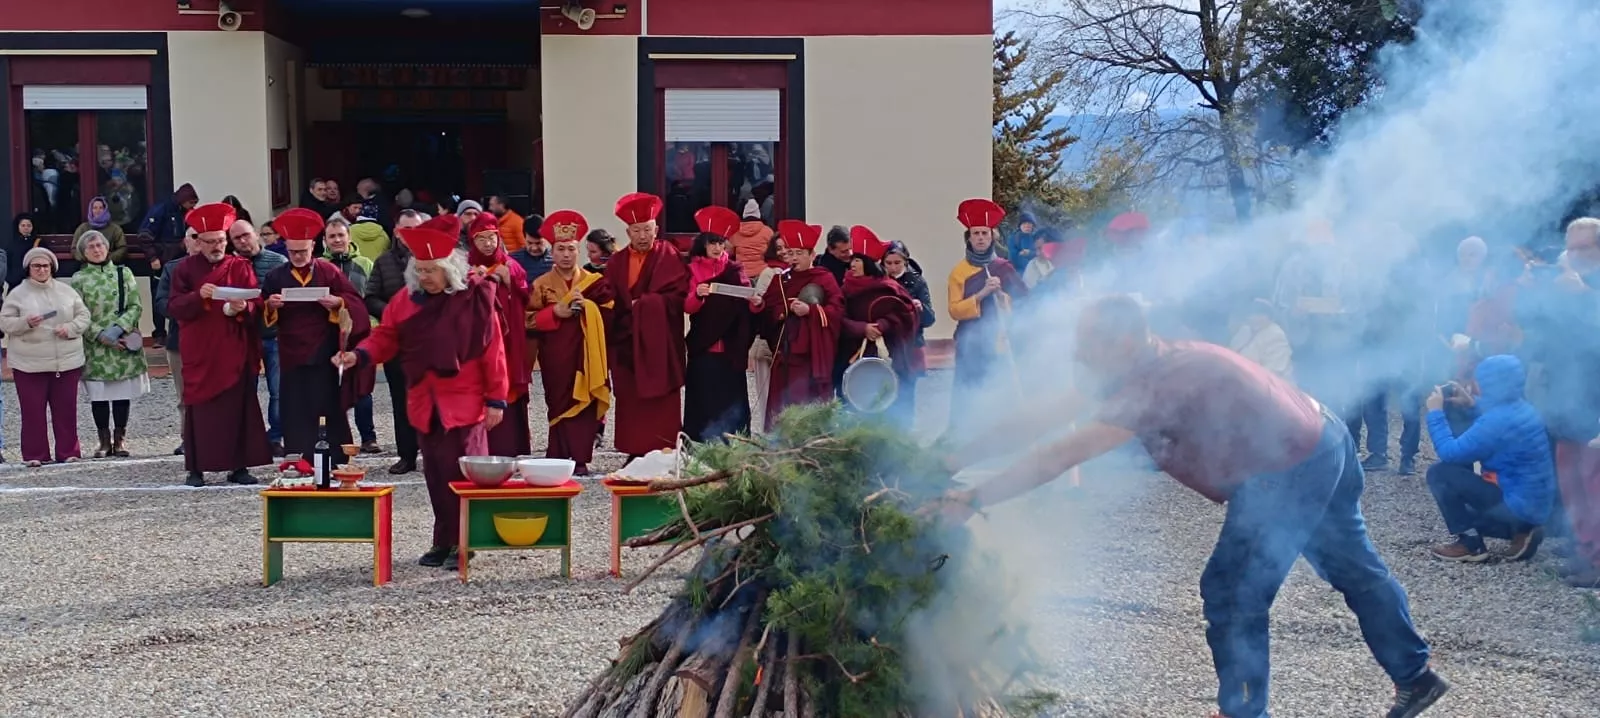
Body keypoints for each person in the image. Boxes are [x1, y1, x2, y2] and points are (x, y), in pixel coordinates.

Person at [934, 295, 1447, 718]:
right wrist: (955, 456)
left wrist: (975, 497)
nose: (1080, 356)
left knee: (1231, 591)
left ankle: (1244, 712)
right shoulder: (1139, 364)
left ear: (1126, 341)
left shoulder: (1161, 383)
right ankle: (1416, 676)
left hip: (1288, 464)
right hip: (1320, 436)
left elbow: (1061, 453)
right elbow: (1041, 417)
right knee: (1353, 568)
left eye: (1088, 346)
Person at [336, 214, 508, 569]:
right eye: (421, 269)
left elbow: (494, 351)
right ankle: (442, 540)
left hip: (466, 401)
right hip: (425, 401)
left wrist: (496, 399)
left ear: (450, 268)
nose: (424, 276)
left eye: (432, 270)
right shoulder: (405, 299)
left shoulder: (473, 298)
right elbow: (387, 336)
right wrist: (360, 354)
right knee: (436, 475)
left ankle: (467, 542)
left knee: (466, 476)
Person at [168, 202, 272, 487]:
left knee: (237, 407)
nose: (217, 247)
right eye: (211, 242)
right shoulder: (185, 270)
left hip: (232, 348)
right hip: (200, 350)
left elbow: (257, 302)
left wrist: (243, 309)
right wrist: (198, 296)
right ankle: (196, 468)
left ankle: (238, 466)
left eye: (221, 241)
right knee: (200, 410)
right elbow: (174, 307)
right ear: (197, 242)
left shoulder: (239, 266)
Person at [263, 208, 373, 468]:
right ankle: (299, 457)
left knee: (326, 403)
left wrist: (338, 303)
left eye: (303, 251)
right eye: (292, 252)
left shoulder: (329, 272)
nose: (299, 257)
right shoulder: (276, 276)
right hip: (291, 351)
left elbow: (356, 304)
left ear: (314, 245)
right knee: (295, 404)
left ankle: (333, 456)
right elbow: (261, 309)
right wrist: (270, 306)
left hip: (323, 351)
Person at [1422, 355, 1554, 562]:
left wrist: (1435, 413)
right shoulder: (1524, 408)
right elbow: (1500, 413)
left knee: (1440, 473)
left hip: (1516, 506)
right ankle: (1523, 531)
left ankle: (1470, 543)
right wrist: (1472, 403)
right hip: (1534, 504)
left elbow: (1450, 453)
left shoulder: (1496, 422)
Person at [602, 192, 689, 457]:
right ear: (627, 232)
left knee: (662, 399)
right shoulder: (617, 262)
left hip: (659, 341)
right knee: (630, 397)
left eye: (648, 230)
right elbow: (609, 296)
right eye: (637, 230)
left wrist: (646, 305)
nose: (643, 236)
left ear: (657, 229)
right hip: (626, 338)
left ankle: (663, 448)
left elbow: (678, 295)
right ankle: (634, 449)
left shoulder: (668, 254)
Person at [528, 210, 614, 475]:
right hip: (555, 354)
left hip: (587, 354)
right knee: (558, 401)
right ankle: (558, 454)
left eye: (572, 249)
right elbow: (527, 319)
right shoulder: (541, 284)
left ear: (580, 252)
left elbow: (611, 311)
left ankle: (580, 457)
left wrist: (587, 306)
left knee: (586, 402)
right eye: (561, 249)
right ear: (551, 252)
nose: (566, 254)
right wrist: (555, 312)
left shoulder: (595, 282)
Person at [0, 247, 90, 466]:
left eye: (45, 266)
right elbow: (4, 322)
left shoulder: (66, 291)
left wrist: (69, 328)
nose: (41, 270)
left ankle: (68, 451)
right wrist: (25, 323)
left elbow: (84, 316)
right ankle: (35, 455)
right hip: (29, 364)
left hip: (65, 361)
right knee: (33, 413)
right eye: (36, 266)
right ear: (28, 269)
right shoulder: (17, 294)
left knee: (66, 410)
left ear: (52, 268)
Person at [946, 198, 1027, 436]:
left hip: (999, 340)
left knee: (998, 388)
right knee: (967, 389)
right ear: (969, 238)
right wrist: (982, 294)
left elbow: (1024, 302)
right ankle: (964, 436)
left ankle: (1000, 437)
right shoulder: (958, 272)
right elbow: (954, 310)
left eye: (984, 233)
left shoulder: (1005, 267)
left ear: (992, 237)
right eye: (975, 233)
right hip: (970, 342)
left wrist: (1004, 298)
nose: (980, 237)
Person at [754, 220, 842, 430]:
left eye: (800, 253)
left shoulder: (824, 278)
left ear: (812, 255)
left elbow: (837, 312)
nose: (794, 258)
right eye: (790, 253)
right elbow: (768, 311)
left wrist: (810, 311)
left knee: (809, 402)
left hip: (812, 354)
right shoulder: (781, 281)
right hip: (786, 352)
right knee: (782, 402)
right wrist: (774, 310)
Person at [72, 230, 150, 458]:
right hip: (96, 345)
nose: (97, 250)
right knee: (99, 395)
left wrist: (117, 331)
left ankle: (120, 439)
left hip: (123, 339)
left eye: (100, 245)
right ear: (83, 252)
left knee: (121, 392)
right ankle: (103, 440)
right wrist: (100, 335)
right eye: (91, 247)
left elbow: (135, 305)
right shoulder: (79, 279)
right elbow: (78, 312)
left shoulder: (123, 273)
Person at [683, 206, 755, 442]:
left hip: (730, 346)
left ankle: (734, 443)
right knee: (703, 397)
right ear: (703, 243)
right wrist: (698, 295)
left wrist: (756, 303)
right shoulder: (692, 269)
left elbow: (747, 300)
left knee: (731, 397)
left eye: (721, 243)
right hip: (704, 344)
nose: (717, 248)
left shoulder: (735, 269)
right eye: (712, 242)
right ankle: (699, 444)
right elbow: (687, 307)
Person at [465, 212, 532, 457]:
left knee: (510, 383)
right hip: (480, 342)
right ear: (473, 241)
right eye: (481, 239)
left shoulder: (511, 265)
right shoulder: (466, 267)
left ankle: (511, 447)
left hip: (509, 340)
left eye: (492, 237)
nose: (488, 243)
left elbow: (528, 295)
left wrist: (511, 279)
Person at [838, 225, 919, 425]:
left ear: (867, 263)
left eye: (857, 260)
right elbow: (838, 319)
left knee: (889, 408)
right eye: (852, 260)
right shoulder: (845, 289)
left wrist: (883, 325)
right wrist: (862, 329)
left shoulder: (889, 288)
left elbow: (906, 314)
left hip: (889, 356)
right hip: (854, 356)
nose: (853, 265)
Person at [365, 209, 424, 474]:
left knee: (430, 399)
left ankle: (432, 455)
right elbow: (371, 296)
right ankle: (407, 455)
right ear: (397, 232)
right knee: (401, 401)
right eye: (406, 229)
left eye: (416, 229)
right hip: (397, 343)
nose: (411, 235)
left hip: (428, 342)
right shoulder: (383, 261)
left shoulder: (432, 259)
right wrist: (394, 312)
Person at [227, 219, 289, 456]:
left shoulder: (279, 262)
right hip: (243, 337)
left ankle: (275, 437)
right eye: (237, 238)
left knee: (278, 391)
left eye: (246, 235)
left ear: (256, 234)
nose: (243, 241)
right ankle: (248, 437)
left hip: (274, 335)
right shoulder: (231, 265)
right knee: (245, 390)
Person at [322, 217, 380, 453]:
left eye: (340, 235)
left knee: (363, 388)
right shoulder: (320, 265)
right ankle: (339, 436)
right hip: (330, 334)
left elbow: (371, 296)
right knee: (333, 389)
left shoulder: (365, 264)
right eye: (331, 236)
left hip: (362, 334)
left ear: (349, 237)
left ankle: (368, 437)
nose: (336, 240)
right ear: (324, 240)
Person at [154, 228, 198, 455]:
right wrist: (186, 307)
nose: (199, 241)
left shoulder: (226, 265)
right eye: (194, 237)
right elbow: (161, 303)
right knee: (184, 395)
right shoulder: (173, 268)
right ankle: (187, 438)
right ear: (185, 241)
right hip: (179, 340)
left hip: (215, 341)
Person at [139, 182, 199, 346]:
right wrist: (152, 258)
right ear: (183, 199)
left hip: (181, 260)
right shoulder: (161, 210)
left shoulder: (187, 213)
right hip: (161, 260)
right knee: (159, 296)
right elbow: (145, 235)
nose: (192, 206)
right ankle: (159, 333)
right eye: (191, 202)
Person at [748, 233, 788, 430]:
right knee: (766, 395)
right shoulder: (769, 273)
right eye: (779, 248)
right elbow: (759, 305)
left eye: (787, 248)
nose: (783, 252)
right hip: (767, 339)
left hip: (787, 342)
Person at [882, 241, 935, 382]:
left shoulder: (917, 282)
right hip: (888, 342)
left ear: (905, 262)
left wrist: (921, 308)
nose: (893, 267)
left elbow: (930, 319)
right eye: (888, 263)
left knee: (908, 388)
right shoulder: (881, 282)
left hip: (912, 343)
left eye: (897, 263)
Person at [1228, 298, 1294, 382]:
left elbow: (1273, 371)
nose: (1254, 318)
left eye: (1259, 314)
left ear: (1269, 317)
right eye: (1252, 314)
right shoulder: (1245, 330)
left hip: (1266, 387)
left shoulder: (1276, 336)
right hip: (1238, 379)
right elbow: (1231, 353)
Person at [73, 197, 127, 264]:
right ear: (91, 210)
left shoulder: (115, 229)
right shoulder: (83, 228)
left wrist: (105, 258)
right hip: (87, 267)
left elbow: (122, 248)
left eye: (101, 208)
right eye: (95, 208)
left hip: (110, 266)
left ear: (105, 210)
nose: (98, 210)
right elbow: (74, 249)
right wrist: (88, 258)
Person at [730, 198, 774, 280]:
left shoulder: (735, 232)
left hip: (741, 273)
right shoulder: (767, 231)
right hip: (761, 273)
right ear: (758, 214)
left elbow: (730, 252)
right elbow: (772, 252)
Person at [9, 213, 39, 289]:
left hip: (34, 281)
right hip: (15, 282)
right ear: (18, 227)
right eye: (23, 225)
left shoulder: (39, 242)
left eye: (29, 225)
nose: (26, 228)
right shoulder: (12, 243)